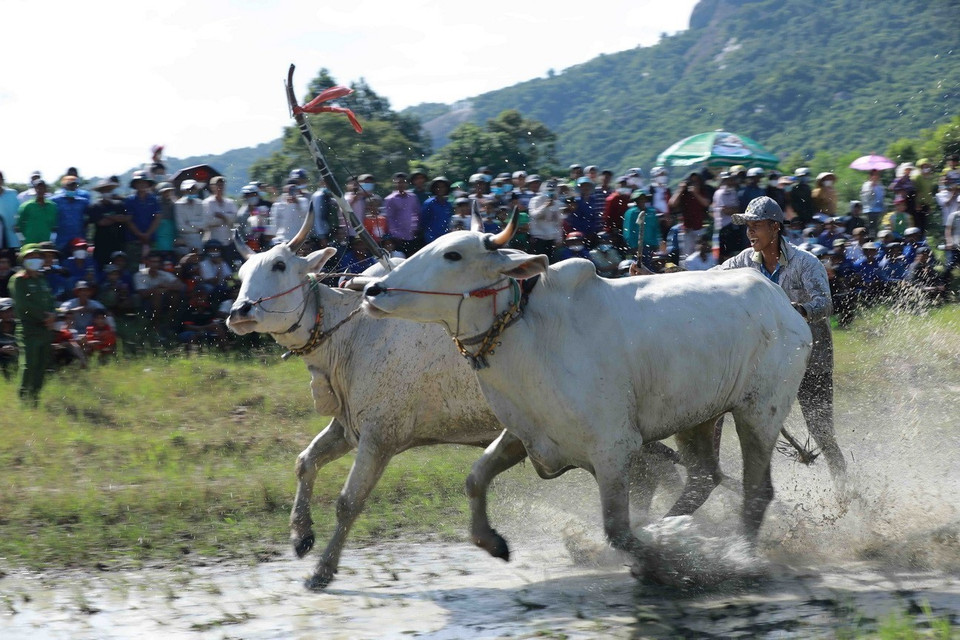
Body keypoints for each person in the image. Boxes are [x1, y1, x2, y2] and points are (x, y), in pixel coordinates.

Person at [713, 196, 847, 487]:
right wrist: (655, 277)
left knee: (821, 432)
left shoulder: (804, 262)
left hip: (812, 359)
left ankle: (842, 486)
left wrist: (793, 311)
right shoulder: (744, 262)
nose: (750, 233)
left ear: (775, 227)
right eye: (747, 226)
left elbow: (825, 304)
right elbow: (705, 281)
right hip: (768, 364)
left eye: (756, 226)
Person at [9, 244, 56, 405]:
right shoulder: (18, 280)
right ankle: (23, 399)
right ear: (23, 259)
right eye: (30, 257)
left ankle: (34, 397)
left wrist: (53, 315)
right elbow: (23, 305)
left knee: (42, 364)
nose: (34, 260)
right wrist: (46, 317)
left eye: (37, 257)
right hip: (29, 328)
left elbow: (50, 300)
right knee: (29, 364)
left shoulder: (42, 279)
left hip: (45, 329)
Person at [668, 171, 711, 258]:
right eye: (692, 182)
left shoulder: (703, 191)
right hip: (687, 229)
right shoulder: (684, 193)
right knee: (687, 255)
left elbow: (706, 203)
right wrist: (680, 190)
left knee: (701, 254)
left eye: (696, 182)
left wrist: (696, 193)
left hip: (699, 228)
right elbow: (672, 203)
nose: (694, 184)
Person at [124, 171, 161, 270]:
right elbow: (128, 220)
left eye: (144, 182)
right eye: (139, 182)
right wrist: (140, 234)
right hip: (134, 240)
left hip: (150, 239)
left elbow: (157, 218)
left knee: (152, 267)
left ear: (148, 184)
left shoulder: (154, 199)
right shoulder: (129, 200)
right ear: (135, 185)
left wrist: (147, 234)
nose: (142, 185)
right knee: (134, 268)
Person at [382, 173, 420, 254]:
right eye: (399, 182)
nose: (401, 184)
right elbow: (389, 218)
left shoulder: (413, 197)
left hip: (412, 235)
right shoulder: (390, 199)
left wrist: (415, 228)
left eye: (403, 182)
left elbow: (416, 213)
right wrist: (395, 234)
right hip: (398, 238)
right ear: (394, 183)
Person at [50, 176, 90, 253]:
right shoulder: (54, 201)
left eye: (74, 185)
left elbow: (89, 217)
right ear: (64, 186)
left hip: (79, 237)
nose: (72, 187)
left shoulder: (83, 202)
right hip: (62, 238)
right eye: (69, 185)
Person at [527, 179, 564, 261]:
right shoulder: (535, 200)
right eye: (549, 190)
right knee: (538, 262)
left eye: (553, 190)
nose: (551, 192)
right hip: (538, 237)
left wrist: (559, 238)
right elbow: (534, 215)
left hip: (551, 238)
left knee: (551, 262)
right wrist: (545, 206)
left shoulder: (557, 203)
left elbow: (558, 222)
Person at [202, 176, 237, 258]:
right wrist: (227, 218)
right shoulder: (207, 203)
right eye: (218, 185)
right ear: (212, 187)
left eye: (222, 185)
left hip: (228, 241)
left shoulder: (230, 202)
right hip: (213, 242)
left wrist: (221, 215)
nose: (220, 187)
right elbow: (208, 221)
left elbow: (234, 218)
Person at [16, 179, 58, 245]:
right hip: (30, 243)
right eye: (37, 188)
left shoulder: (52, 206)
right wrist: (24, 239)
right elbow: (19, 225)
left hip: (46, 242)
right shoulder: (26, 206)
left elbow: (54, 225)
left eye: (42, 188)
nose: (40, 190)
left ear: (46, 189)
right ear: (34, 190)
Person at [174, 179, 207, 256]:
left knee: (198, 262)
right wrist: (197, 227)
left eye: (193, 189)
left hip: (198, 240)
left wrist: (190, 223)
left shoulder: (201, 203)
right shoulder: (178, 204)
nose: (191, 191)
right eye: (189, 189)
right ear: (184, 191)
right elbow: (180, 226)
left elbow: (204, 223)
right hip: (184, 239)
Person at [419, 176, 453, 245]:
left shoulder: (448, 204)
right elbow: (423, 222)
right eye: (438, 187)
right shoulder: (429, 203)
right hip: (431, 238)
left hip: (445, 238)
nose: (440, 189)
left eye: (443, 187)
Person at [0, 171, 22, 253]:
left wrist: (18, 224)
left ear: (2, 180)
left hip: (12, 237)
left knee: (12, 263)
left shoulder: (12, 193)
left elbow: (20, 211)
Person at [859, 169, 886, 233]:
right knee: (872, 229)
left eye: (877, 174)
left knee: (877, 229)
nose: (876, 176)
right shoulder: (866, 185)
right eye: (874, 175)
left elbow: (882, 197)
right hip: (870, 210)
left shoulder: (880, 186)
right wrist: (871, 188)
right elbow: (865, 198)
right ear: (870, 176)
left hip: (879, 210)